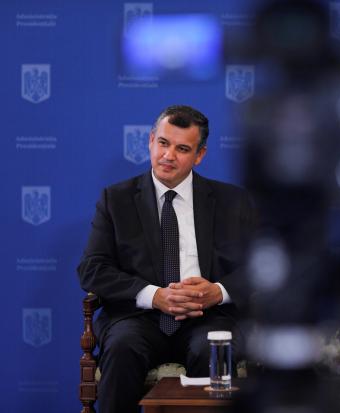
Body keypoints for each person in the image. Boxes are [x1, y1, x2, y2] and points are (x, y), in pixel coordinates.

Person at [78, 105, 256, 413]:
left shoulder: (232, 201)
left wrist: (218, 291)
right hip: (137, 318)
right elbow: (92, 269)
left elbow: (259, 268)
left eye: (182, 149)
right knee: (122, 347)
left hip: (209, 317)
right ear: (150, 141)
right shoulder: (116, 200)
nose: (168, 155)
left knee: (213, 348)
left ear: (199, 155)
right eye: (163, 143)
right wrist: (154, 296)